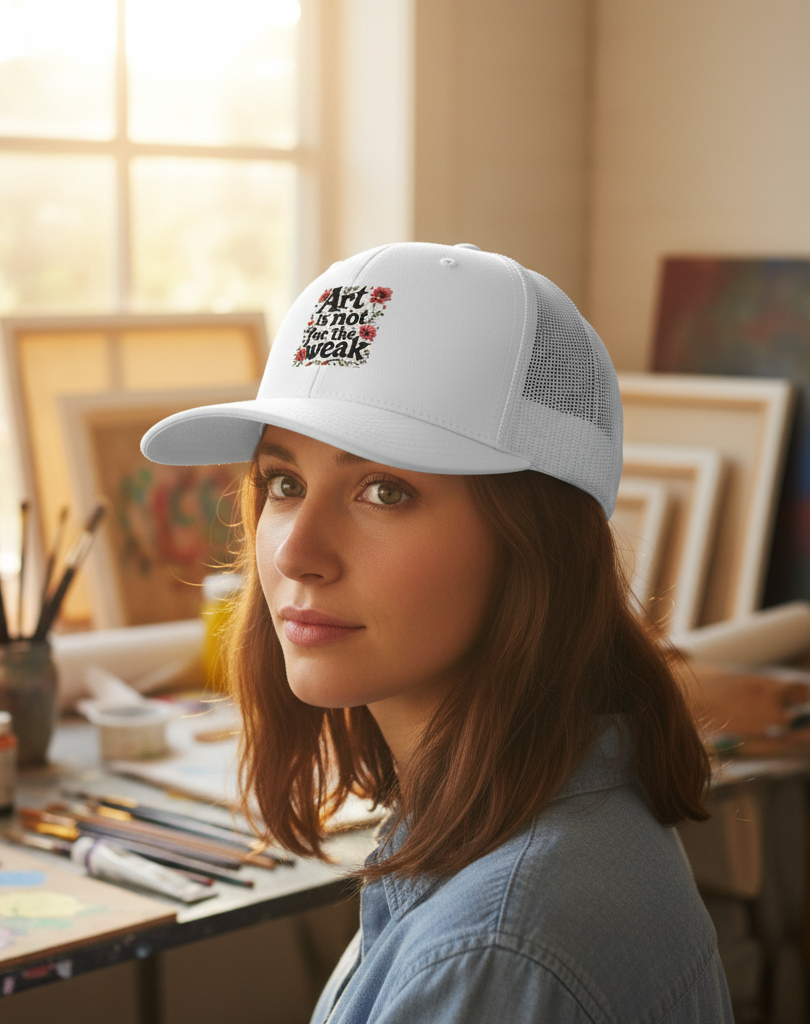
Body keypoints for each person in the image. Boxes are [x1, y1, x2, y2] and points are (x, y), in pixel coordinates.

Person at [141, 242, 733, 1023]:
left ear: (534, 545)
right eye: (284, 483)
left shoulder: (494, 953)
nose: (294, 553)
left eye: (384, 490)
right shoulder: (520, 813)